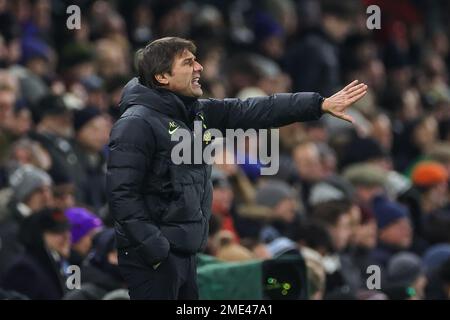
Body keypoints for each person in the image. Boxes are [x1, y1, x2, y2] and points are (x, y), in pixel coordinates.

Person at [106, 36, 367, 300]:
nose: (200, 68)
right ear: (162, 76)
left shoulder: (194, 113)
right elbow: (122, 195)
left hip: (184, 252)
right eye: (188, 63)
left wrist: (318, 104)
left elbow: (256, 109)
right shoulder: (136, 123)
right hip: (157, 257)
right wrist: (156, 249)